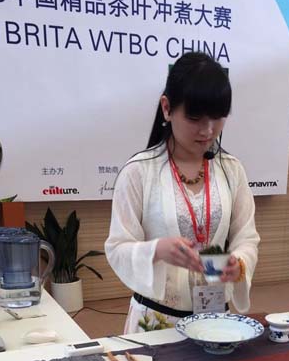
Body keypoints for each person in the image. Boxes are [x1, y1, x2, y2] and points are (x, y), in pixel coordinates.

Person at [105, 52, 260, 333]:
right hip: (157, 321)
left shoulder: (231, 170)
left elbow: (246, 238)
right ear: (167, 108)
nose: (208, 130)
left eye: (218, 117)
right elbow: (117, 248)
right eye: (195, 117)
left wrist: (238, 264)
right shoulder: (139, 171)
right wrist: (157, 250)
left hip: (216, 318)